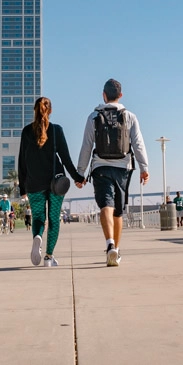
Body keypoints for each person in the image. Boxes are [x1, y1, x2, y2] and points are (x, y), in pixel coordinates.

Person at [76, 79, 149, 267]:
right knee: (118, 211)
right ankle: (115, 249)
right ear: (121, 95)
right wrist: (144, 168)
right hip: (123, 168)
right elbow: (138, 143)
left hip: (100, 167)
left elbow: (86, 145)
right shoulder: (130, 116)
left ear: (103, 95)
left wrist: (80, 172)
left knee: (105, 206)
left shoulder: (94, 116)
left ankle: (109, 245)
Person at [18, 97, 85, 267]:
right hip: (55, 184)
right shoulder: (56, 130)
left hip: (33, 183)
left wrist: (22, 187)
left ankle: (37, 237)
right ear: (50, 111)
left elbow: (21, 161)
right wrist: (78, 178)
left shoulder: (26, 131)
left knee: (39, 217)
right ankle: (48, 257)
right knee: (54, 219)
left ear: (34, 110)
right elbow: (66, 158)